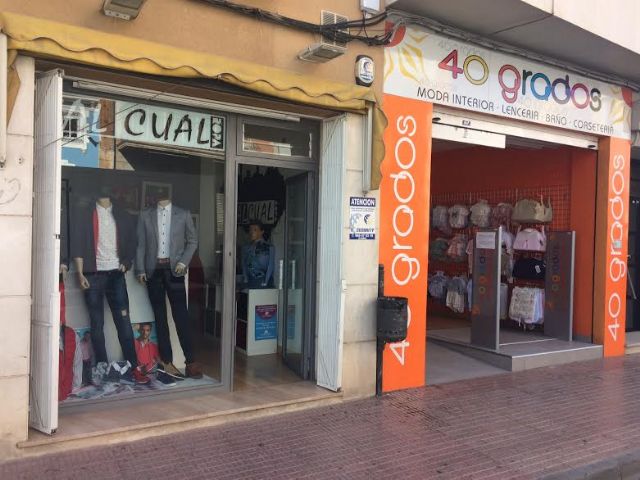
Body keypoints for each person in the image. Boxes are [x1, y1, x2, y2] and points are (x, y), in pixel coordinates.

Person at [72, 191, 149, 385]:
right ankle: (102, 367)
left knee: (123, 321)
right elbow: (78, 245)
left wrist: (127, 262)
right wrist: (80, 273)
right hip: (93, 274)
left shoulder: (122, 214)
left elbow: (132, 242)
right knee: (97, 323)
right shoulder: (86, 214)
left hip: (116, 274)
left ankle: (133, 366)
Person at [135, 194, 203, 380]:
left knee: (181, 316)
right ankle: (167, 362)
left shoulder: (183, 214)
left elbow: (193, 241)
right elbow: (141, 244)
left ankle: (191, 362)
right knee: (160, 317)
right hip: (153, 270)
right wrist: (140, 269)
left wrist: (183, 262)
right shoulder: (145, 215)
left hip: (175, 271)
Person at [241, 220, 275, 289]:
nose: (252, 232)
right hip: (250, 280)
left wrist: (266, 281)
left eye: (255, 230)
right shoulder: (246, 248)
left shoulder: (269, 247)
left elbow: (270, 266)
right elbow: (244, 264)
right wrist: (245, 279)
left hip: (263, 280)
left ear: (261, 232)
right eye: (250, 230)